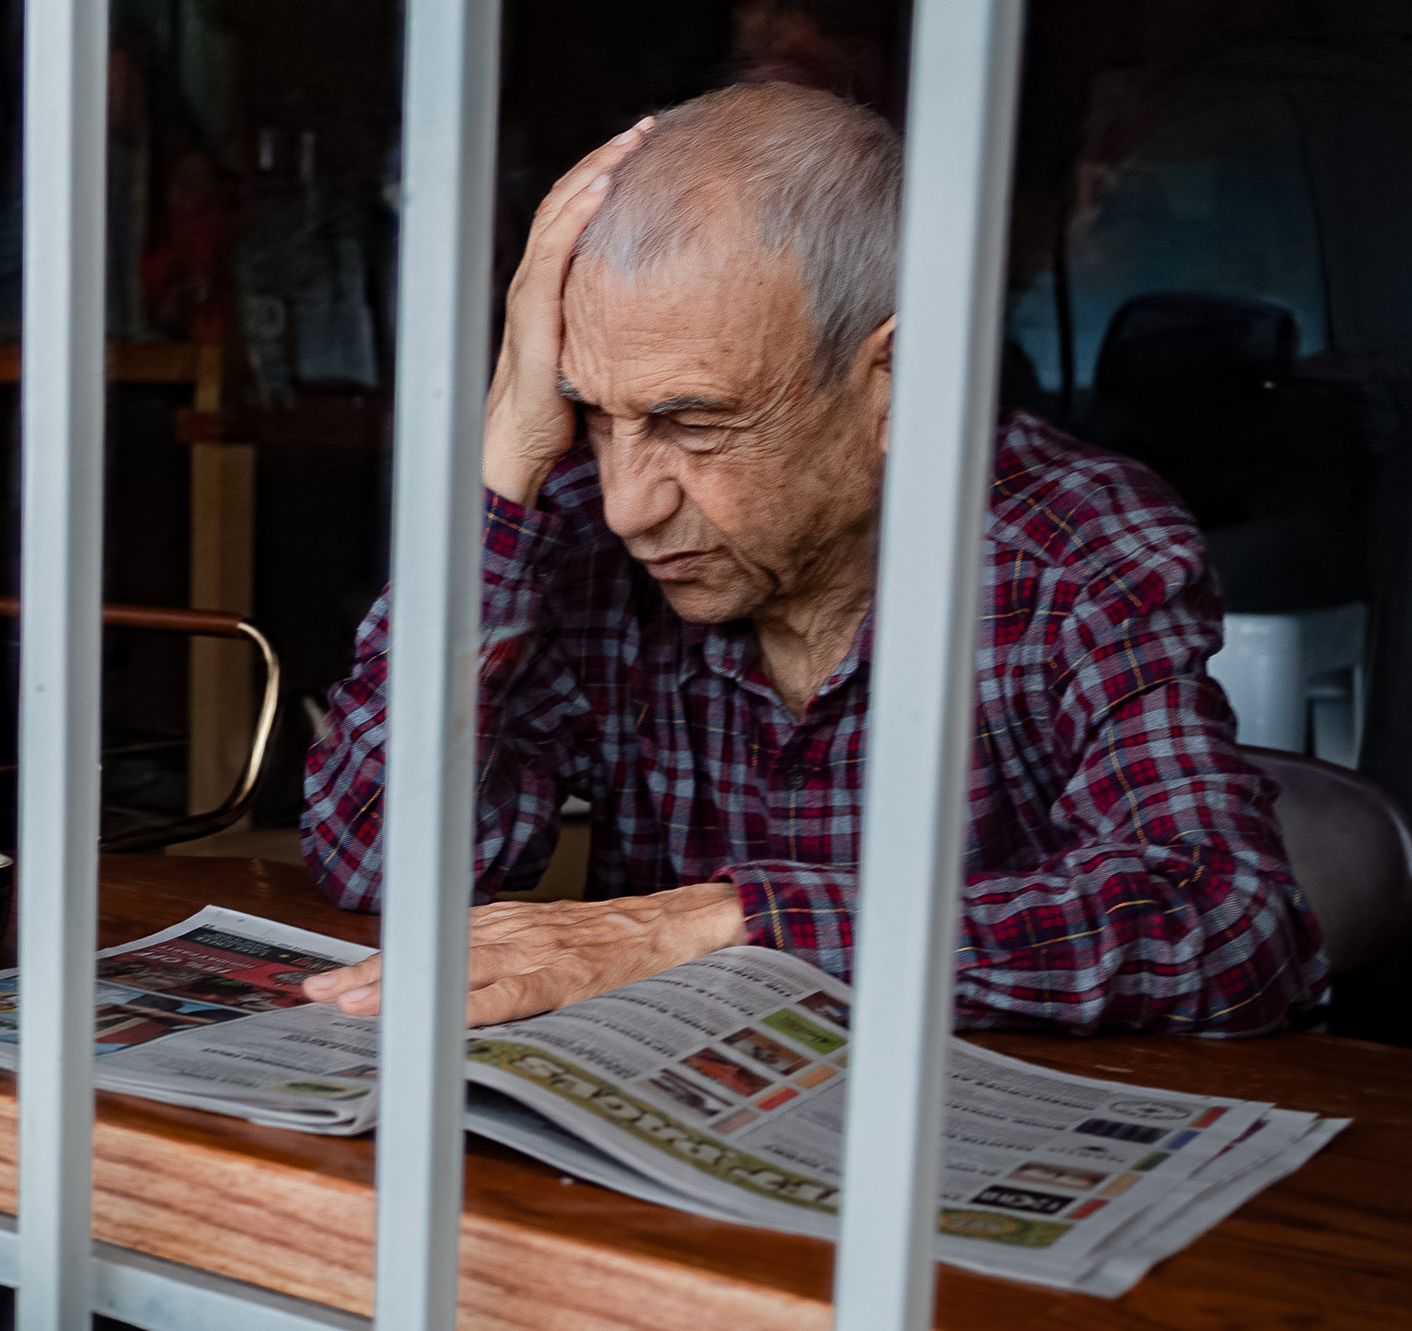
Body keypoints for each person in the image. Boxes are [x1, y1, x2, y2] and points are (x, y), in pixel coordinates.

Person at [298, 84, 1326, 1037]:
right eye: (591, 414)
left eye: (690, 423)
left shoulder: (1070, 544)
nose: (626, 504)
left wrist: (724, 923)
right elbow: (373, 859)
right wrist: (505, 464)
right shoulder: (572, 536)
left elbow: (1228, 924)